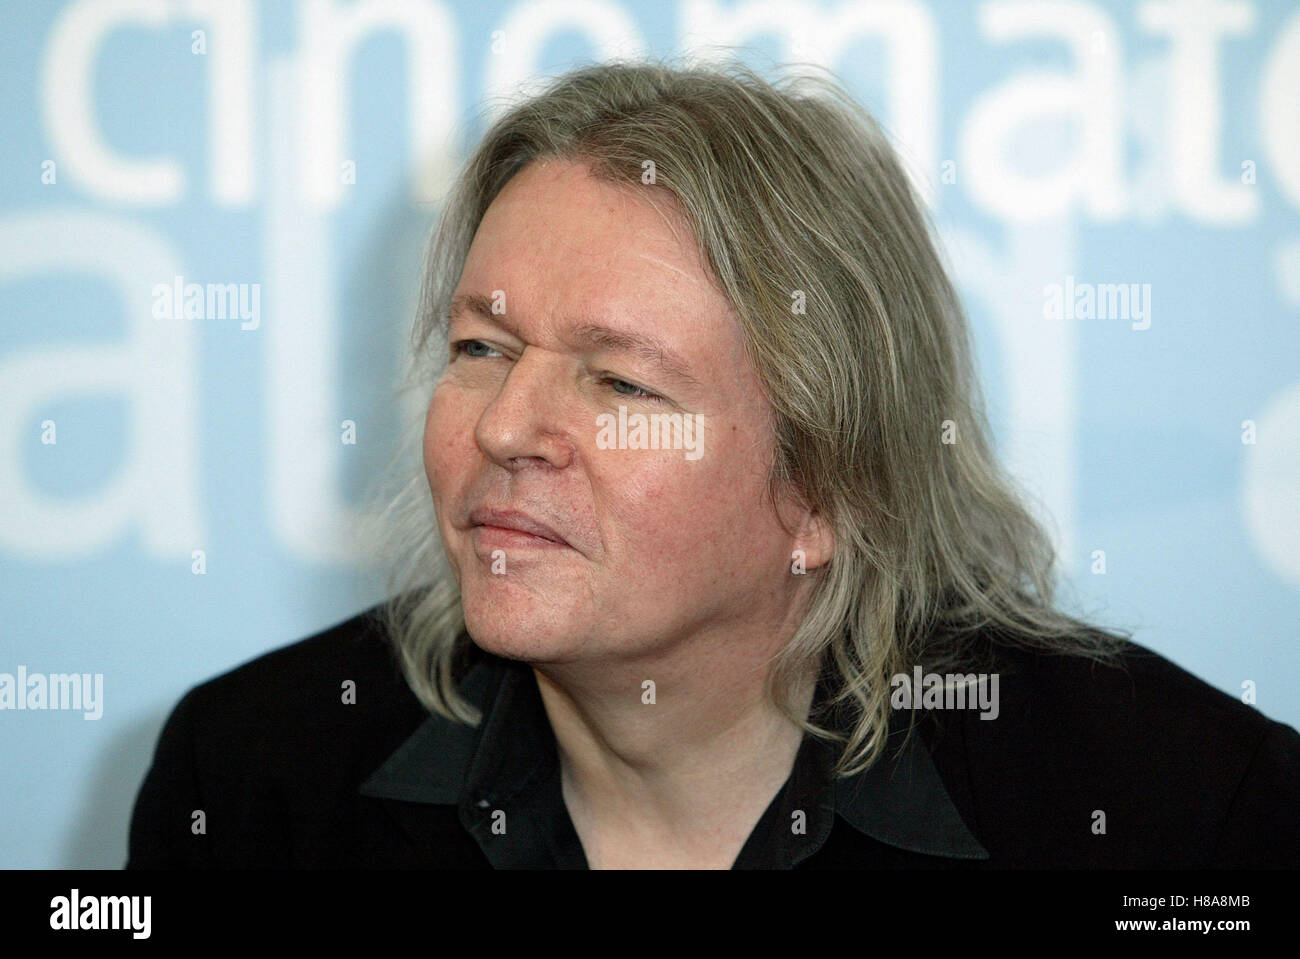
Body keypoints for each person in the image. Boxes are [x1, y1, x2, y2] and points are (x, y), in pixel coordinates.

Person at [127, 59, 1300, 869]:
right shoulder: (252, 781)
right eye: (481, 346)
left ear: (830, 484)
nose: (502, 426)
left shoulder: (1179, 816)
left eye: (620, 380)